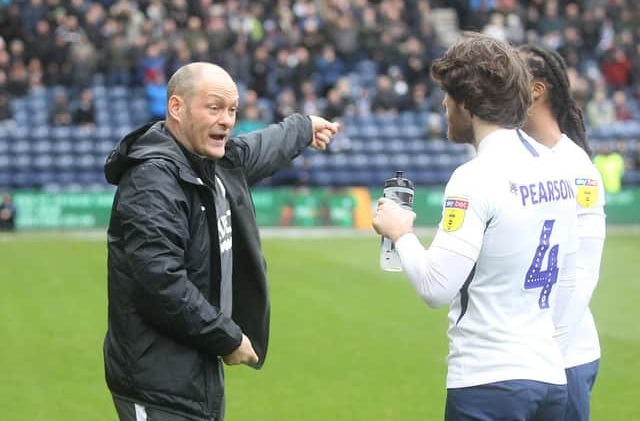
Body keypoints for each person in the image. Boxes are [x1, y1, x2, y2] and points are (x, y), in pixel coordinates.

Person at [103, 62, 339, 421]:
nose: (227, 120)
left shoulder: (213, 162)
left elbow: (261, 147)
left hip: (193, 381)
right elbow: (160, 283)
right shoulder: (152, 182)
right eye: (214, 108)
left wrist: (303, 128)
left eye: (232, 110)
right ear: (177, 108)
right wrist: (227, 337)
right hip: (157, 388)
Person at [372, 33, 578, 420]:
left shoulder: (474, 177)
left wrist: (401, 234)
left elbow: (436, 288)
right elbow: (567, 278)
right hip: (550, 377)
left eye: (447, 98)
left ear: (466, 104)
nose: (444, 107)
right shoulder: (557, 168)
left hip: (489, 382)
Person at [519, 44, 606, 421]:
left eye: (510, 79)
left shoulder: (577, 167)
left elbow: (583, 273)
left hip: (563, 357)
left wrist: (549, 348)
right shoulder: (511, 157)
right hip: (520, 358)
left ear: (537, 91)